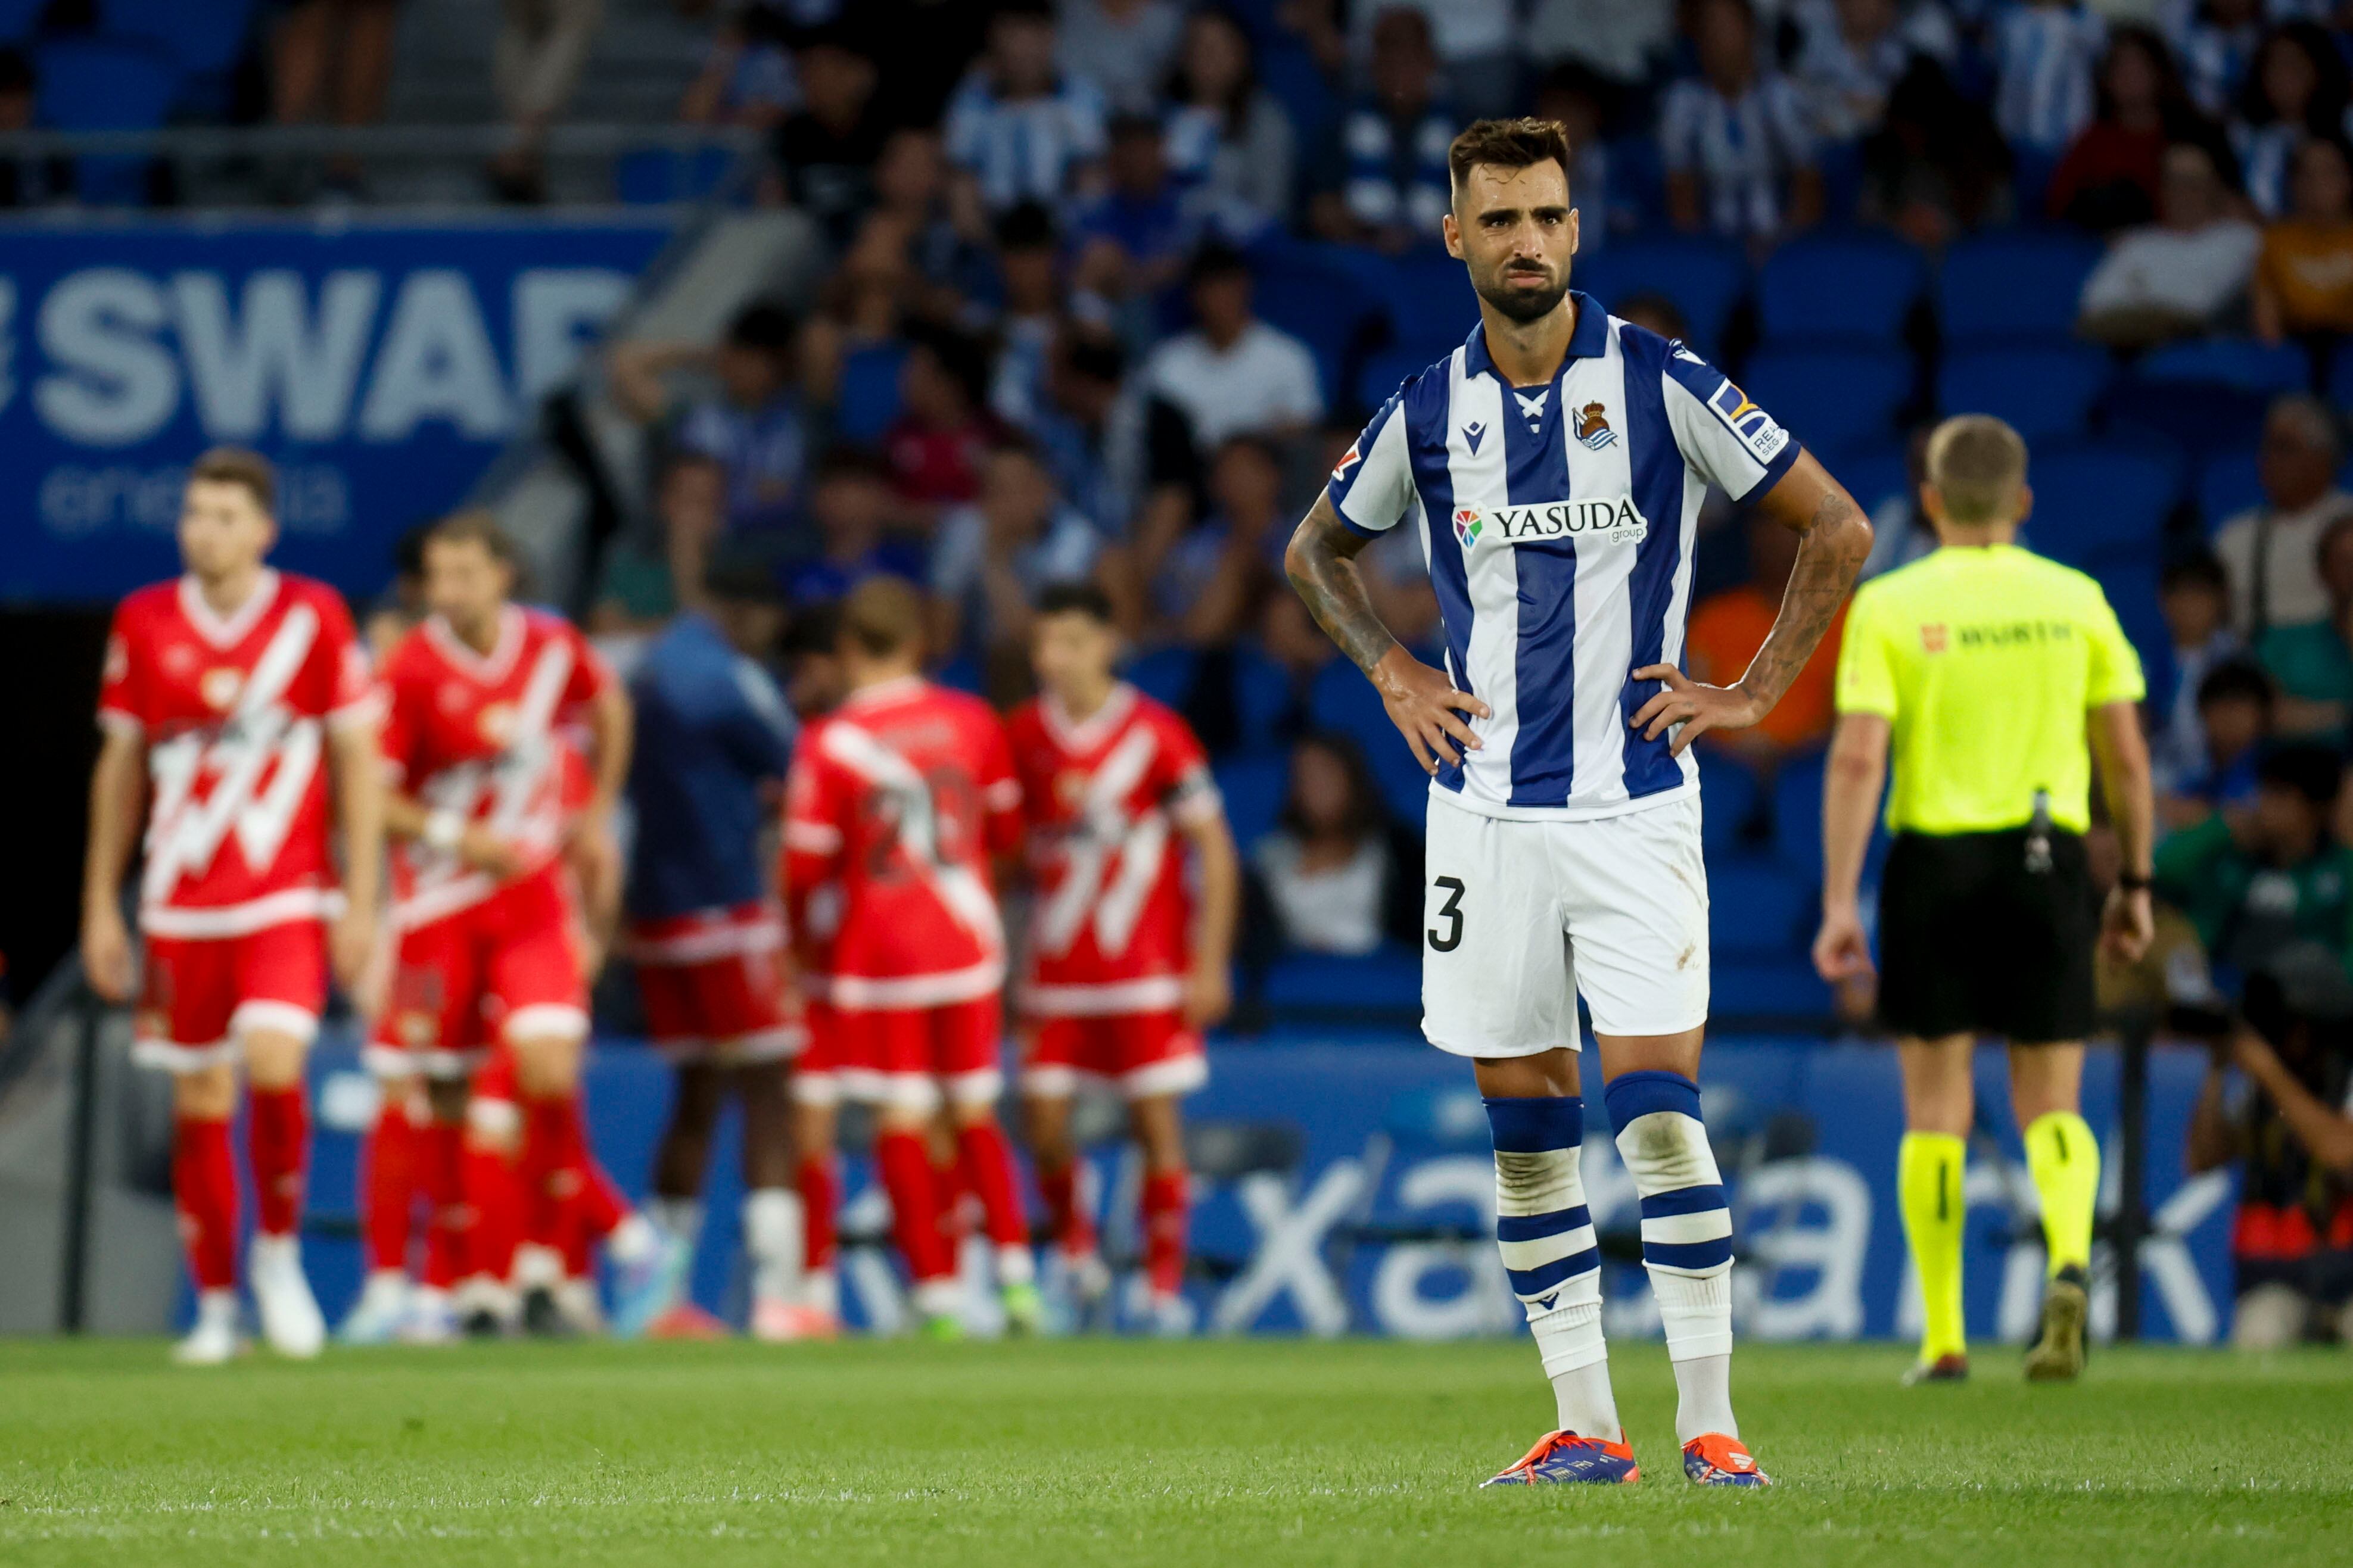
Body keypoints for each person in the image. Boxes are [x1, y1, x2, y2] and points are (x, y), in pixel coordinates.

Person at [1286, 117, 1873, 1488]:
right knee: (1529, 1131)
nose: (1528, 241)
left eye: (1547, 216)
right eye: (1499, 221)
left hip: (1633, 813)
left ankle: (1714, 1427)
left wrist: (1752, 690)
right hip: (1482, 817)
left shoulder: (1661, 382)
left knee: (1658, 1112)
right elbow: (1315, 547)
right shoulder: (1427, 409)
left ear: (1575, 227)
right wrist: (1386, 666)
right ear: (1456, 238)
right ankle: (1584, 1427)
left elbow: (1837, 527)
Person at [1814, 415, 2156, 1386]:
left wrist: (1843, 898)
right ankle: (2065, 1260)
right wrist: (2134, 882)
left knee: (1936, 1106)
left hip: (1935, 862)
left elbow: (1856, 757)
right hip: (2048, 857)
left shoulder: (1892, 602)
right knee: (2052, 1096)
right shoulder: (2076, 599)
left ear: (1928, 499)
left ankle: (1946, 1334)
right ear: (2023, 501)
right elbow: (2126, 759)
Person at [82, 448, 384, 1365]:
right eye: (194, 512)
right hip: (179, 899)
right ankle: (215, 1305)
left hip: (285, 890)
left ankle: (279, 1254)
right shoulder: (143, 620)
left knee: (274, 1057)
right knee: (201, 1097)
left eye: (222, 514)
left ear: (263, 529)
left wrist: (361, 896)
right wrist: (101, 902)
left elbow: (358, 759)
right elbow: (121, 767)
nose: (202, 529)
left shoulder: (313, 616)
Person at [371, 512, 670, 1338]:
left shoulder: (552, 648)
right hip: (443, 898)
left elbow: (610, 706)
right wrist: (453, 835)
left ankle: (605, 1245)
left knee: (543, 1070)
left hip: (534, 894)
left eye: (466, 572)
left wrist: (601, 812)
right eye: (438, 575)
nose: (450, 590)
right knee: (456, 1098)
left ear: (504, 573)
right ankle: (491, 1283)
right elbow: (374, 796)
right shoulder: (412, 669)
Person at [780, 578, 1033, 1337]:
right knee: (974, 1106)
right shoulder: (973, 720)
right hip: (967, 941)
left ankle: (936, 1292)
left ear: (847, 649)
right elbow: (1009, 836)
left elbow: (801, 868)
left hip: (878, 952)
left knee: (902, 1114)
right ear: (921, 642)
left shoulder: (828, 743)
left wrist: (799, 954)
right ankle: (1018, 1278)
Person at [1009, 583, 1238, 1330]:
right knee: (1042, 1120)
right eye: (1044, 643)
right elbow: (1006, 852)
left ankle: (1161, 1287)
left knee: (1154, 1124)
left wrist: (1208, 962)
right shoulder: (1023, 735)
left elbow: (1214, 846)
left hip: (1144, 967)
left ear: (1108, 642)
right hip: (1055, 968)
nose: (1055, 658)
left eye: (1071, 641)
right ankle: (1075, 1258)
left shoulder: (1155, 733)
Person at [624, 557, 823, 1342]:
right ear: (755, 613)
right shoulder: (730, 677)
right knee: (769, 1090)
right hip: (730, 905)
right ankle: (777, 1298)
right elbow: (795, 766)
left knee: (695, 1095)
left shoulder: (648, 668)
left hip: (659, 913)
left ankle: (653, 1296)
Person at [2186, 947, 2353, 1348]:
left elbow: (2338, 1151)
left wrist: (2268, 1071)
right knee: (2259, 1334)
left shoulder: (2345, 1078)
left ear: (2313, 1025)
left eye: (2284, 1023)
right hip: (2281, 1280)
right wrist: (2217, 1069)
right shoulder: (2259, 1090)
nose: (2275, 1036)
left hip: (2349, 1278)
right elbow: (2202, 1158)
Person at [608, 303, 808, 538]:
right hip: (690, 533)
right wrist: (707, 356)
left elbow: (775, 498)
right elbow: (625, 363)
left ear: (779, 370)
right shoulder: (699, 415)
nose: (746, 370)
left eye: (757, 363)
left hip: (753, 545)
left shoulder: (790, 426)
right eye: (741, 358)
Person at [1685, 512, 1850, 772]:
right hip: (1729, 765)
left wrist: (1788, 754)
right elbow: (1689, 705)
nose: (1776, 540)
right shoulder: (1714, 618)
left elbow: (1853, 713)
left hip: (1814, 764)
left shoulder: (1846, 617)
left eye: (1790, 530)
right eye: (1766, 529)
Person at [1139, 244, 1323, 466]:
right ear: (1194, 296)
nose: (1220, 300)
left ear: (1245, 288)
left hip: (1265, 479)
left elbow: (1305, 430)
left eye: (1228, 287)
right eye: (1211, 290)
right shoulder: (1167, 362)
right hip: (1192, 480)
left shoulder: (1287, 356)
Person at [1244, 731, 1424, 958]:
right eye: (1304, 777)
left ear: (1352, 778)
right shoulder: (1267, 856)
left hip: (1379, 984)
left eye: (1325, 774)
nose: (1315, 788)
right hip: (1294, 984)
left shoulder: (1401, 853)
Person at [1661, 0, 1824, 247]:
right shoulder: (1683, 104)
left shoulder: (1781, 97)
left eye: (1729, 27)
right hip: (1712, 246)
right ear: (1698, 40)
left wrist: (1784, 246)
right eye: (1710, 29)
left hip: (1780, 243)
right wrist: (1706, 256)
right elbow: (1680, 194)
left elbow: (1809, 183)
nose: (1720, 39)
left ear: (1751, 33)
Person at [2075, 142, 2259, 350]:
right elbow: (2095, 304)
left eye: (2193, 183)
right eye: (2173, 181)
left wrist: (2140, 300)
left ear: (2215, 187)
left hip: (2201, 357)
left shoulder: (2241, 240)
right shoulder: (2137, 243)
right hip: (2123, 355)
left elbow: (2199, 306)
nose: (2182, 192)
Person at [1308, 7, 1456, 252]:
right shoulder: (1343, 122)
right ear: (1374, 64)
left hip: (1436, 260)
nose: (1400, 70)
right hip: (1364, 254)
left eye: (1410, 58)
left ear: (1431, 62)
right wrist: (1369, 232)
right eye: (1390, 58)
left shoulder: (1466, 127)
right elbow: (1322, 208)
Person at [943, 0, 1109, 218]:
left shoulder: (1083, 99)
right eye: (1013, 37)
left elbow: (1093, 181)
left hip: (1063, 231)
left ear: (1051, 37)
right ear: (994, 40)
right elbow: (959, 180)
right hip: (991, 229)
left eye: (1032, 38)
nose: (1023, 52)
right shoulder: (970, 101)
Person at [2212, 395, 2353, 637]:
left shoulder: (2348, 525)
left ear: (2324, 458)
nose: (2269, 459)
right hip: (2255, 665)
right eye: (2267, 447)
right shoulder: (2234, 536)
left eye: (2285, 448)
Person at [1160, 8, 1296, 233]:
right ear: (1183, 57)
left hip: (1238, 252)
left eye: (1220, 48)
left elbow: (1273, 210)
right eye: (1200, 47)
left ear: (1243, 56)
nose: (1209, 58)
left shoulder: (1267, 122)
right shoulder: (1161, 116)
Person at [2149, 552, 2243, 806]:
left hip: (2226, 787)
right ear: (2163, 601)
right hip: (2161, 785)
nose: (2190, 606)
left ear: (2222, 600)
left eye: (2200, 595)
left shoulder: (2237, 660)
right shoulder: (2145, 664)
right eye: (2180, 595)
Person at [2252, 135, 2353, 360]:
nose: (2317, 183)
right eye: (2306, 174)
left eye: (2328, 172)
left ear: (2348, 179)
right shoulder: (2276, 240)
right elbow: (2267, 321)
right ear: (2293, 183)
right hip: (2294, 353)